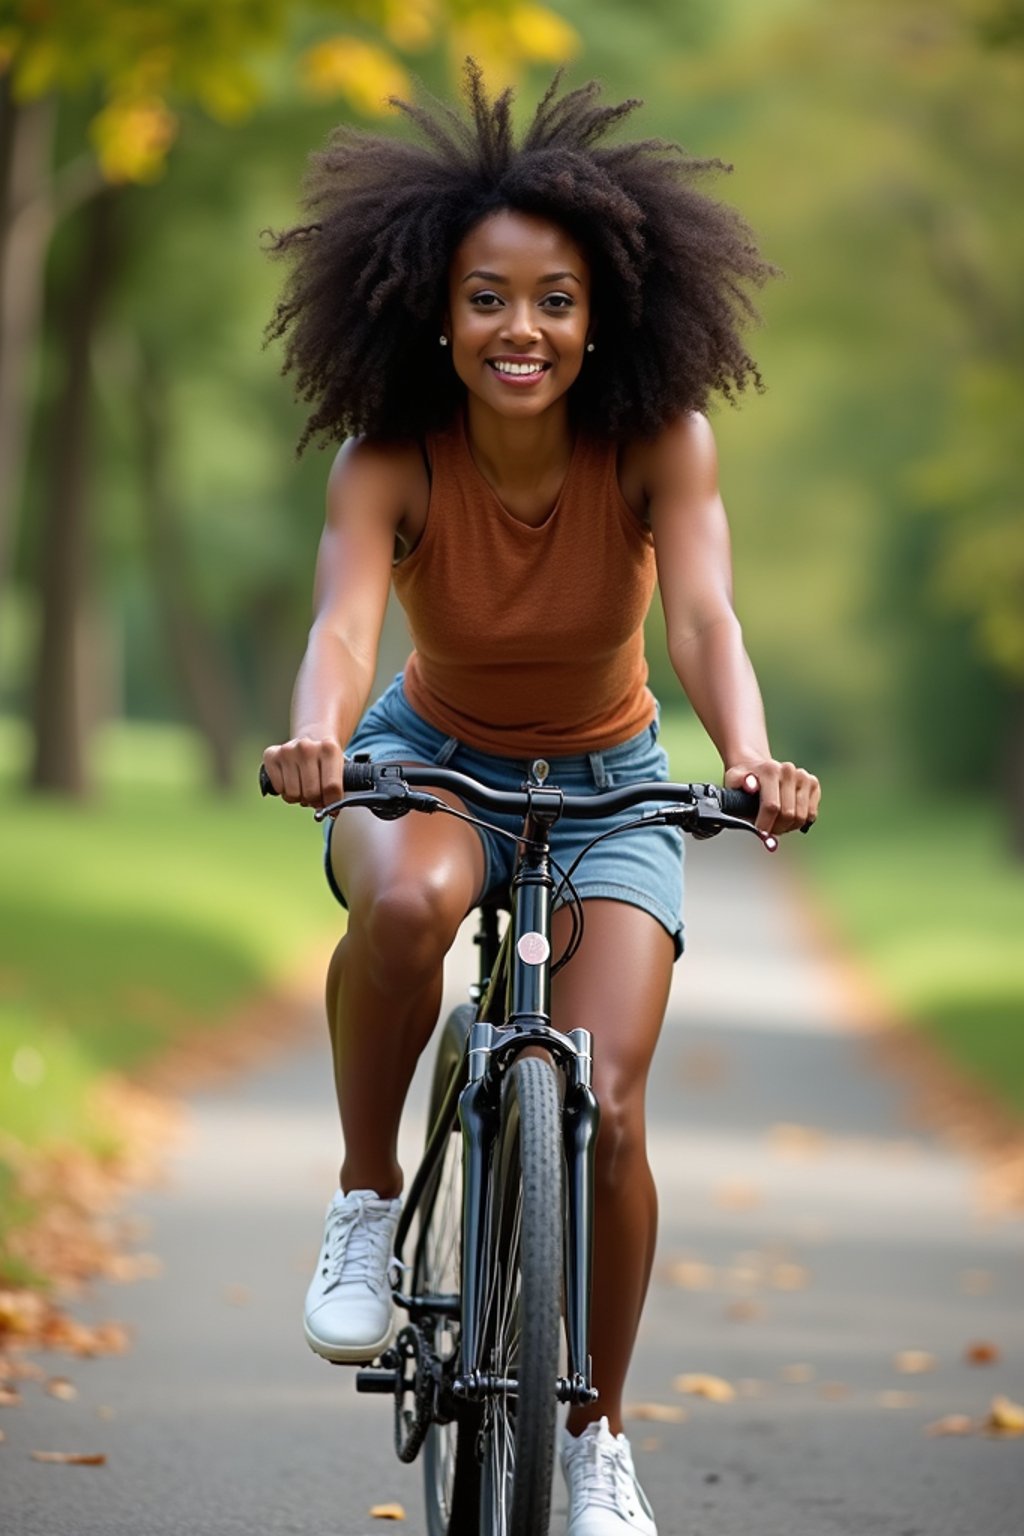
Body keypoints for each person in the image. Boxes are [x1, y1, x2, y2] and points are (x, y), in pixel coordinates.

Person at [262, 62, 820, 1536]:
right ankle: (368, 1204)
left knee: (616, 1103)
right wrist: (317, 734)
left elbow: (704, 622)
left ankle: (596, 1438)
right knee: (406, 899)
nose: (523, 329)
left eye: (556, 299)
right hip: (427, 757)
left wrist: (749, 751)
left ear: (604, 313)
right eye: (490, 297)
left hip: (614, 782)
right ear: (432, 312)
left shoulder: (658, 440)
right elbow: (340, 627)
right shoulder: (389, 455)